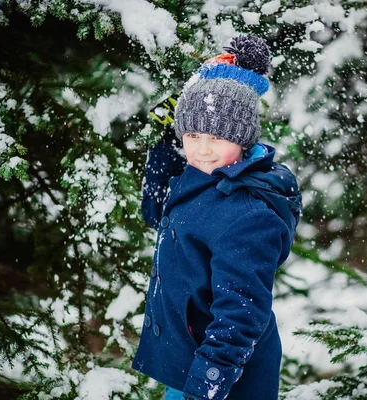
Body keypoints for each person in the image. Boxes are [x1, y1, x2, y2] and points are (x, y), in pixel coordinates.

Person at [132, 35, 302, 400]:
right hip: (186, 361)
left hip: (220, 377)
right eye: (192, 134)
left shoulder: (248, 213)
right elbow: (155, 211)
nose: (203, 149)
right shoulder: (203, 179)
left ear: (242, 140)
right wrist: (165, 142)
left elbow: (240, 316)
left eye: (216, 137)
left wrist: (206, 385)